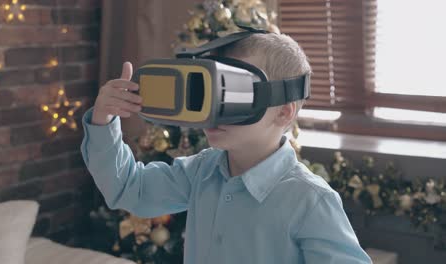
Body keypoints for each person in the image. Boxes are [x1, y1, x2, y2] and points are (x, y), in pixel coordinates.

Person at [80, 33, 372, 264]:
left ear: (283, 112)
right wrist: (104, 120)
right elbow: (130, 189)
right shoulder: (201, 172)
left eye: (235, 95)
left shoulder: (310, 201)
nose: (213, 113)